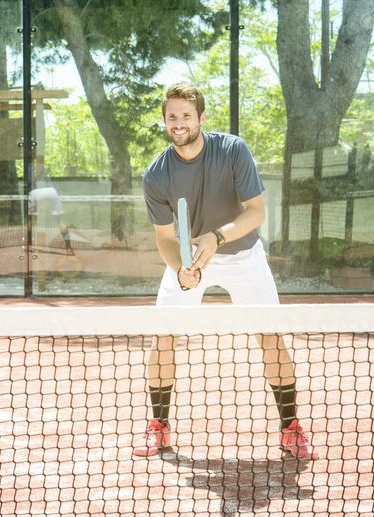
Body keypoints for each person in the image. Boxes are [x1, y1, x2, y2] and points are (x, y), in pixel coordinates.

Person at [136, 83, 318, 460]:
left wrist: (216, 237)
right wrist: (181, 270)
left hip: (243, 256)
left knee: (271, 337)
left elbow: (256, 213)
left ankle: (290, 428)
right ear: (165, 121)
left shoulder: (233, 149)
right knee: (163, 335)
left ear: (201, 118)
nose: (179, 122)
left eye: (187, 115)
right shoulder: (156, 175)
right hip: (191, 260)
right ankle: (159, 426)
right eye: (172, 116)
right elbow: (166, 238)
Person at [29, 164, 75, 255]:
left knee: (29, 219)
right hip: (51, 191)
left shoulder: (30, 168)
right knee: (61, 220)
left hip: (35, 192)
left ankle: (29, 244)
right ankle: (69, 248)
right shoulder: (45, 167)